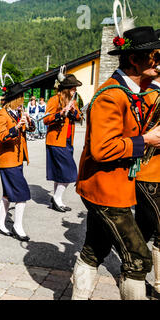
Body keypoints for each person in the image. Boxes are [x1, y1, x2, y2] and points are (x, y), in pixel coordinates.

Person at [72, 26, 160, 300]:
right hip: (105, 190)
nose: (158, 63)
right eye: (155, 56)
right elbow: (102, 149)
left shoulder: (134, 90)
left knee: (94, 248)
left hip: (115, 187)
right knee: (138, 258)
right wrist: (146, 140)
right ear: (134, 59)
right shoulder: (111, 95)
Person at [0, 83, 35, 241]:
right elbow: (2, 136)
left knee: (8, 193)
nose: (23, 100)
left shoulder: (17, 112)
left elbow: (29, 130)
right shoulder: (2, 115)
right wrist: (16, 127)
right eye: (21, 97)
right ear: (14, 99)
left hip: (18, 158)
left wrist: (28, 122)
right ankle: (18, 227)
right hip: (7, 159)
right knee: (21, 194)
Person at [135, 72, 160, 298]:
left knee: (144, 228)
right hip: (150, 172)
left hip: (153, 172)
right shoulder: (150, 95)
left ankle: (135, 276)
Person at [44, 74, 83, 212]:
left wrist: (73, 111)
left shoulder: (73, 101)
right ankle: (56, 198)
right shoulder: (55, 100)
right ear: (66, 89)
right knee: (70, 172)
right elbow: (46, 119)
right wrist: (61, 113)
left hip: (67, 140)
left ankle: (57, 199)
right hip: (55, 140)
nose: (75, 91)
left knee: (60, 173)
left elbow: (79, 117)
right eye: (73, 89)